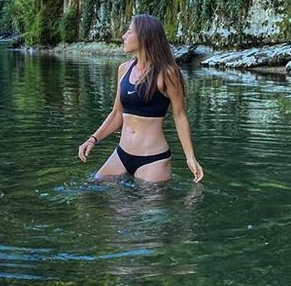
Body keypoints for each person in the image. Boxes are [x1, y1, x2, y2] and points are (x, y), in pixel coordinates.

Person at [77, 15, 204, 183]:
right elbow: (117, 114)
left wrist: (190, 157)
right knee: (89, 193)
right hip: (121, 155)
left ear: (144, 37)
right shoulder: (124, 69)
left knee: (143, 209)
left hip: (153, 159)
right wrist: (92, 139)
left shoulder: (167, 73)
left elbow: (179, 116)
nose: (123, 36)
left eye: (129, 32)